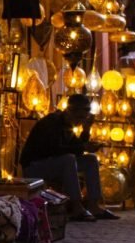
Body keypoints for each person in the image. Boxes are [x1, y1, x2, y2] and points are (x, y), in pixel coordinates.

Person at [20, 93, 119, 221]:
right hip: (35, 166)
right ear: (70, 111)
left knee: (91, 159)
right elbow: (55, 150)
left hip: (54, 163)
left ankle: (94, 205)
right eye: (80, 117)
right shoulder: (52, 122)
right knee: (68, 159)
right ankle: (76, 206)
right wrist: (83, 147)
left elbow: (76, 149)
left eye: (84, 118)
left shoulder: (69, 125)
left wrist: (86, 130)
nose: (81, 121)